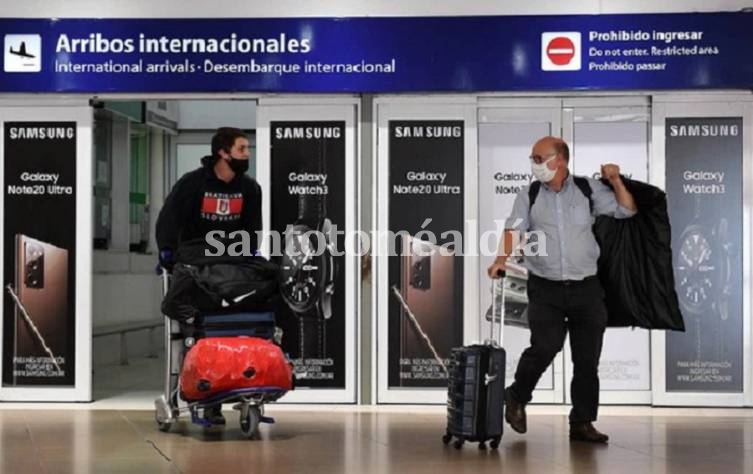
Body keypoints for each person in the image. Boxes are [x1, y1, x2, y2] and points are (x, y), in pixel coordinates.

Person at [487, 136, 636, 444]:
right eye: (533, 158)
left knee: (586, 360)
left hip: (587, 288)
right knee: (545, 346)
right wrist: (500, 260)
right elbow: (513, 229)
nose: (534, 164)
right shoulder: (529, 194)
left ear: (561, 160)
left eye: (539, 158)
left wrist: (615, 180)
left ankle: (582, 422)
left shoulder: (586, 190)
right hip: (545, 287)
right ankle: (516, 396)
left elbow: (627, 210)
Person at [156, 126, 262, 425]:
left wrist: (251, 259)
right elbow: (168, 220)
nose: (247, 154)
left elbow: (253, 231)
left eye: (247, 149)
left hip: (231, 264)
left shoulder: (250, 189)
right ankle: (196, 390)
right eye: (242, 149)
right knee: (196, 328)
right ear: (223, 152)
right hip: (195, 261)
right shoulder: (192, 185)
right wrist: (166, 253)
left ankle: (225, 394)